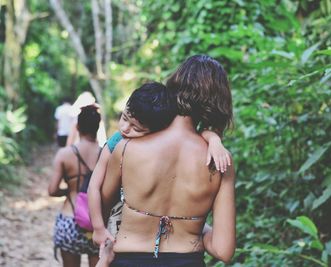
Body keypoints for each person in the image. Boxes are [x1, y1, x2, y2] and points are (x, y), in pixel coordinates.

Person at [101, 55, 235, 266]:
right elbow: (223, 250)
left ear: (174, 86)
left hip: (128, 258)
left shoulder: (127, 148)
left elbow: (102, 205)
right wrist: (193, 224)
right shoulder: (220, 162)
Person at [49, 105, 102, 267]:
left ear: (77, 126)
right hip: (97, 223)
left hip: (69, 221)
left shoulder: (65, 154)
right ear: (98, 127)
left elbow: (52, 190)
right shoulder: (105, 154)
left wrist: (71, 190)